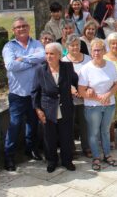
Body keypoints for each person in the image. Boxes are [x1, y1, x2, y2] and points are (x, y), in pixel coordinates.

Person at [2, 17, 45, 171]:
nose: (21, 29)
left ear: (28, 28)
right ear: (13, 31)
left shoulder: (36, 44)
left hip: (34, 93)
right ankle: (9, 156)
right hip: (18, 94)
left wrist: (24, 59)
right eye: (18, 27)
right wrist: (32, 62)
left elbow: (43, 56)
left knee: (33, 123)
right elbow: (11, 65)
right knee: (14, 125)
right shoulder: (9, 47)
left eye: (24, 26)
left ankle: (31, 149)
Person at [32, 42, 79, 173]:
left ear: (59, 54)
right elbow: (35, 91)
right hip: (47, 109)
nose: (49, 56)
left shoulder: (68, 67)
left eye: (52, 53)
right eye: (46, 53)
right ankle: (52, 161)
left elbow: (76, 80)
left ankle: (67, 160)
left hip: (66, 107)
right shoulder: (40, 69)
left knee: (66, 136)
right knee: (49, 137)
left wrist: (78, 90)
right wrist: (38, 109)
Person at [78, 39, 117, 171]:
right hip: (92, 107)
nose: (96, 52)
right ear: (91, 51)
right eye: (94, 50)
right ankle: (96, 157)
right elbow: (81, 91)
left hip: (109, 104)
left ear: (104, 51)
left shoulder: (111, 66)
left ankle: (107, 155)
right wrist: (98, 98)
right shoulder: (86, 69)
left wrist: (107, 95)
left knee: (105, 131)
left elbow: (116, 84)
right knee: (93, 133)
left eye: (99, 50)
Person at [61, 34, 92, 157]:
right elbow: (61, 80)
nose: (75, 48)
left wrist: (87, 89)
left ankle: (86, 147)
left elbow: (93, 76)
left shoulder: (88, 59)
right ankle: (71, 148)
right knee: (70, 124)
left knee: (85, 124)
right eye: (72, 45)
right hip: (70, 98)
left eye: (77, 45)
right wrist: (72, 89)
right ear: (67, 47)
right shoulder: (63, 61)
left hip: (86, 98)